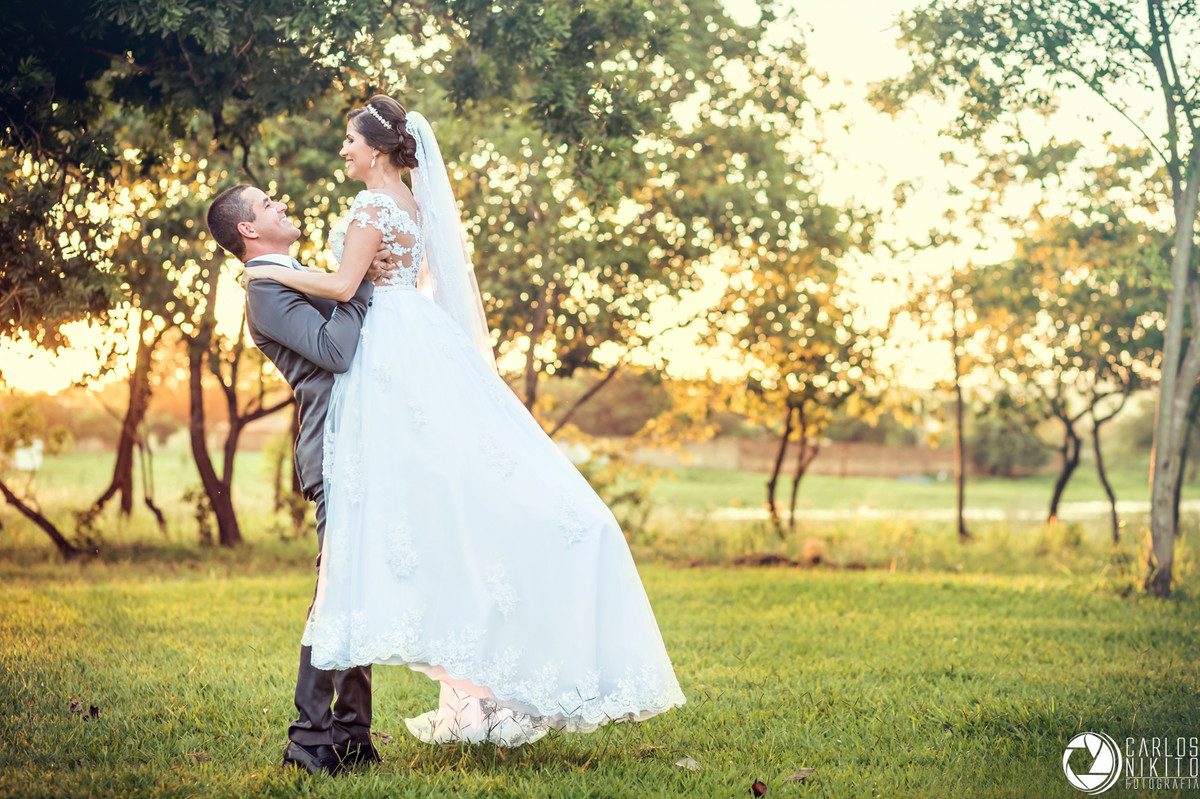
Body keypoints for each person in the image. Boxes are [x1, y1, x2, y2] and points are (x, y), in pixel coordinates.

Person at [242, 95, 686, 746]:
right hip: (420, 334)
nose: (343, 150)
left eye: (349, 141)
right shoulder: (416, 206)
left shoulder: (368, 207)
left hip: (388, 340)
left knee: (375, 542)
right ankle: (368, 718)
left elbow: (343, 288)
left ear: (377, 148)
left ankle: (327, 730)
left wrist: (270, 270)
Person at [205, 185, 394, 775]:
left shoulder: (296, 275)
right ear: (248, 232)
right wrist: (360, 283)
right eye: (266, 204)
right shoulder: (264, 291)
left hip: (365, 445)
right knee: (336, 592)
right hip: (333, 451)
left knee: (356, 589)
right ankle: (308, 740)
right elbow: (335, 352)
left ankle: (352, 734)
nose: (280, 204)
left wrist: (361, 277)